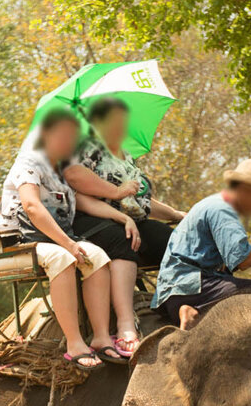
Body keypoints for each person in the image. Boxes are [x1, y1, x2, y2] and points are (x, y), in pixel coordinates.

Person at [0, 108, 122, 370]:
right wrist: (68, 243)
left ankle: (99, 336)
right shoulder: (28, 164)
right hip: (16, 244)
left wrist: (124, 216)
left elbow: (86, 202)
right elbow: (31, 206)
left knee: (96, 256)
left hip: (50, 241)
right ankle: (74, 342)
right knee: (62, 257)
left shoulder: (62, 171)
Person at [64, 97, 186, 357]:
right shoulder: (88, 148)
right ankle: (125, 324)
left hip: (131, 219)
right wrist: (118, 203)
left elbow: (141, 201)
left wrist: (176, 214)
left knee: (173, 240)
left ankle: (179, 305)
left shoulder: (127, 156)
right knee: (123, 239)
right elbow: (75, 183)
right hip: (93, 219)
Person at [152, 158, 251, 329]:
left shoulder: (214, 204)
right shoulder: (223, 211)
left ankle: (192, 312)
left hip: (175, 293)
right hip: (193, 288)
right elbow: (244, 260)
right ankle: (196, 308)